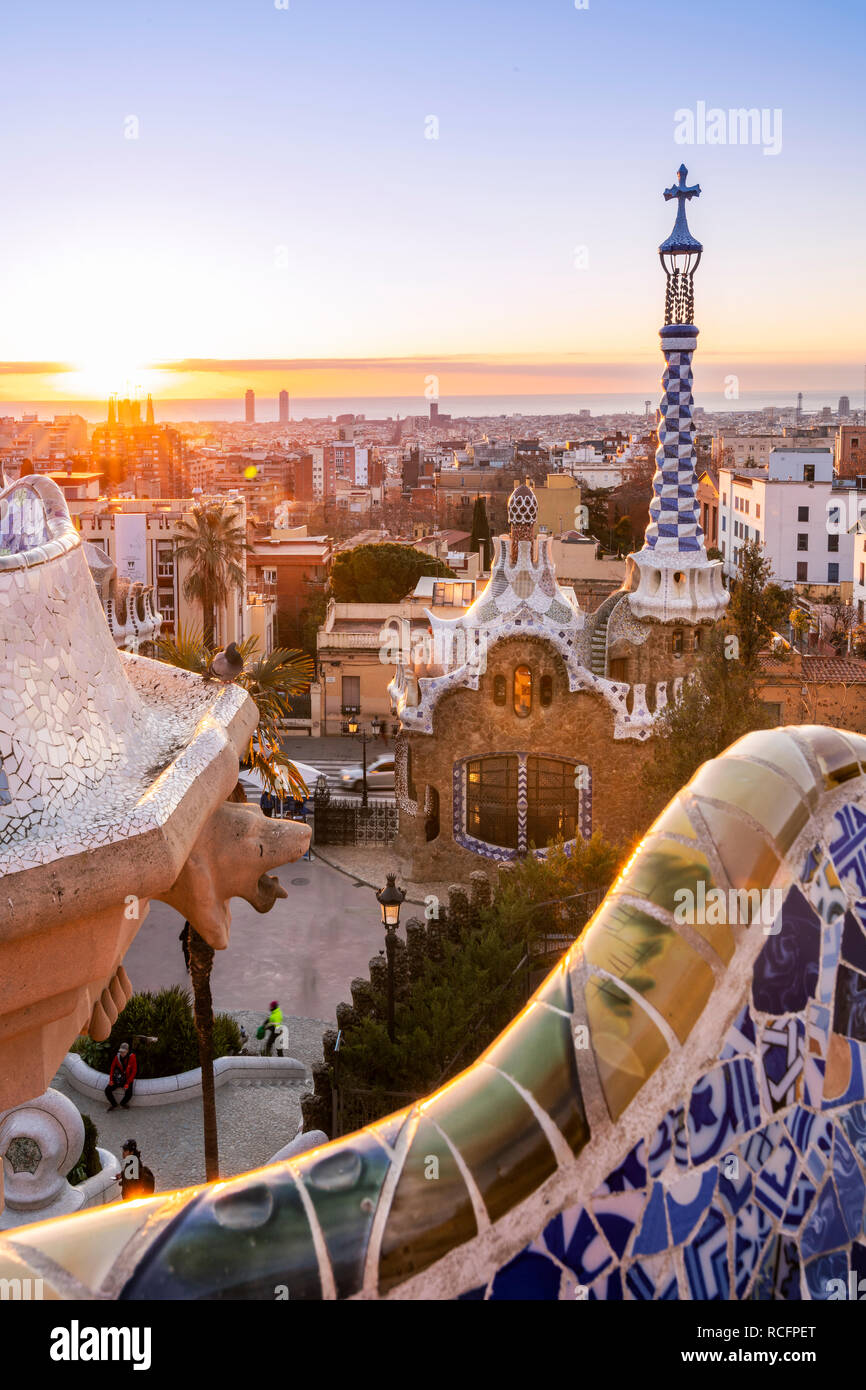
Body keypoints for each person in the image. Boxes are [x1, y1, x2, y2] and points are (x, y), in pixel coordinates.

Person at [105, 1040, 137, 1109]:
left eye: (124, 1052)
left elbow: (134, 1071)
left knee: (129, 1094)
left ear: (127, 1051)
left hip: (128, 1079)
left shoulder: (132, 1057)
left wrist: (128, 1083)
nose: (122, 1053)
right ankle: (114, 1104)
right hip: (119, 1078)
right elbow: (112, 1068)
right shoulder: (117, 1057)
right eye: (121, 1051)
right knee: (107, 1090)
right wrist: (111, 1080)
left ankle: (123, 1103)